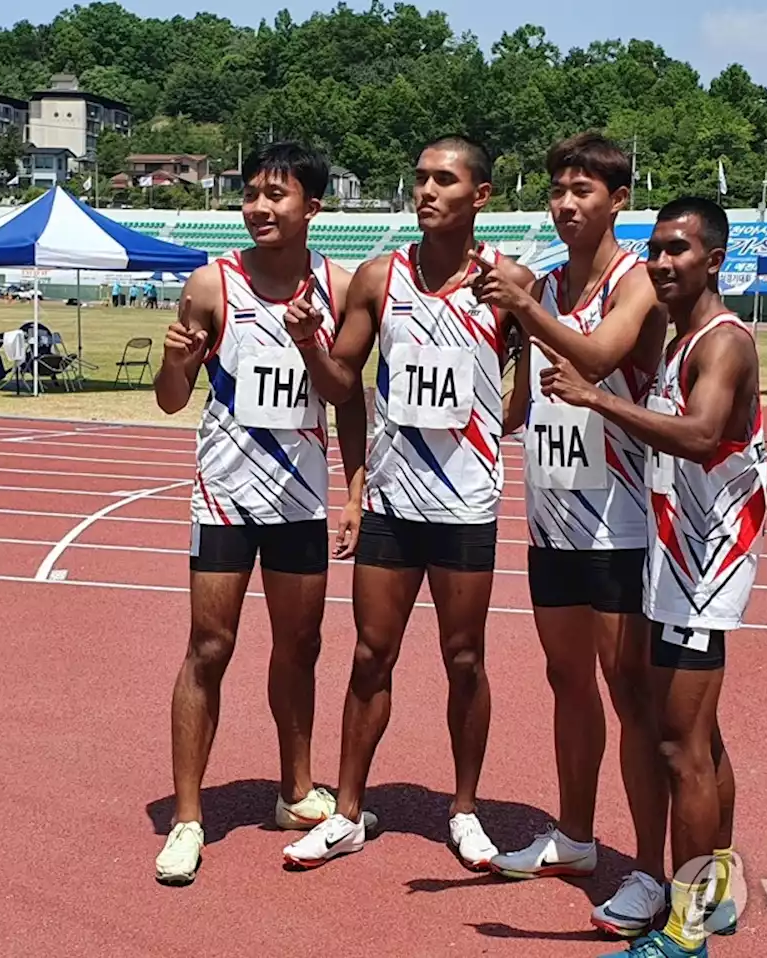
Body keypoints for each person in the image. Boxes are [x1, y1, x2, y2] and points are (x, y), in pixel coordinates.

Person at [279, 135, 535, 870]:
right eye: (420, 178)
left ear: (479, 196)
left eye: (443, 180)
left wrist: (501, 407)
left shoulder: (508, 283)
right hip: (393, 502)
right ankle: (350, 813)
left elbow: (529, 394)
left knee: (465, 659)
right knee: (369, 655)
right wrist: (307, 347)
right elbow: (340, 385)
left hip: (466, 504)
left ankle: (464, 811)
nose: (425, 190)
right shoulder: (379, 277)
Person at [534, 196, 767, 958]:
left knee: (680, 748)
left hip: (705, 568)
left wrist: (594, 397)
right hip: (675, 562)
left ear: (715, 259)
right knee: (702, 739)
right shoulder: (680, 339)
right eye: (657, 250)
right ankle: (717, 891)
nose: (664, 263)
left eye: (680, 250)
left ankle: (687, 930)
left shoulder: (723, 344)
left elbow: (702, 436)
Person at [151, 141, 372, 886]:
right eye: (250, 195)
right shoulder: (211, 284)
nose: (258, 208)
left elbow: (346, 394)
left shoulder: (340, 289)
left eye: (276, 196)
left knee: (300, 647)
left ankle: (293, 791)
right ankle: (187, 819)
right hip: (223, 494)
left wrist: (355, 488)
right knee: (208, 648)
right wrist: (179, 357)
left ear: (313, 207)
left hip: (301, 502)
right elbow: (172, 398)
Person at [480, 132, 672, 939]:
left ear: (618, 200)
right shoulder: (550, 281)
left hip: (622, 524)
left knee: (632, 697)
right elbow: (525, 398)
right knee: (567, 682)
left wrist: (524, 307)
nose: (565, 204)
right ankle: (577, 837)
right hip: (552, 513)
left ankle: (651, 872)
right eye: (558, 190)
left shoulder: (638, 285)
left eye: (584, 192)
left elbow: (597, 354)